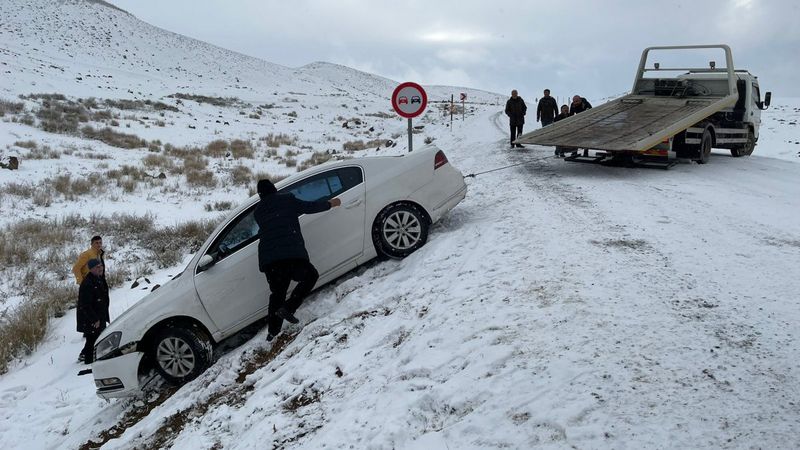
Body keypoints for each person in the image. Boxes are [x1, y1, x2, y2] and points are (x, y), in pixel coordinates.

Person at [253, 179, 342, 341]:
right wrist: (330, 203)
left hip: (270, 260)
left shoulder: (258, 212)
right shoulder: (287, 199)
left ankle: (272, 333)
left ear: (260, 195)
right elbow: (309, 207)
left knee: (277, 294)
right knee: (310, 276)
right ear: (274, 189)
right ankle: (289, 307)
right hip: (290, 254)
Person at [76, 259, 110, 363]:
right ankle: (88, 361)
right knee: (92, 339)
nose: (100, 268)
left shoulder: (99, 279)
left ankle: (90, 356)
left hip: (99, 315)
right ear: (91, 269)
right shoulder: (87, 283)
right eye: (97, 267)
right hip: (90, 318)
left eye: (101, 266)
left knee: (97, 337)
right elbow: (85, 305)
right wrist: (94, 319)